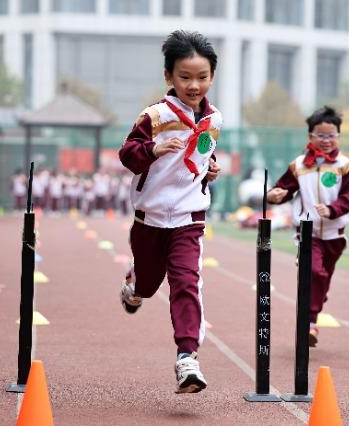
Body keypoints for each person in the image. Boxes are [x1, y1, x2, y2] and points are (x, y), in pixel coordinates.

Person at [118, 30, 222, 394]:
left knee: (186, 282)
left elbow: (202, 155)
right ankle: (134, 282)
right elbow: (127, 154)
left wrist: (211, 169)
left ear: (211, 76)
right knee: (148, 285)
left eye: (202, 76)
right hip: (150, 218)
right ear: (169, 77)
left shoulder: (214, 120)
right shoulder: (155, 116)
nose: (194, 85)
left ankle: (187, 357)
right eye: (185, 76)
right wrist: (153, 151)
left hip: (189, 218)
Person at [266, 105, 349, 348]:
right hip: (307, 233)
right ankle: (309, 324)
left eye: (331, 135)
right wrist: (274, 195)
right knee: (314, 273)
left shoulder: (346, 167)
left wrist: (332, 210)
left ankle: (313, 309)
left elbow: (348, 199)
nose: (326, 140)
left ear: (338, 136)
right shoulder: (299, 166)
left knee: (322, 278)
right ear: (310, 136)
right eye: (321, 135)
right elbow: (282, 189)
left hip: (335, 235)